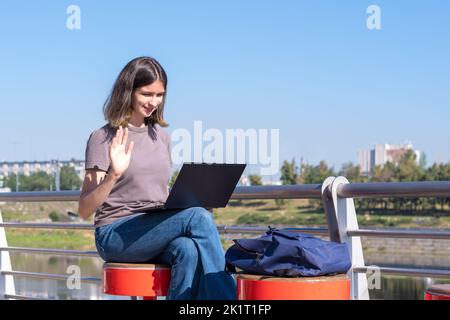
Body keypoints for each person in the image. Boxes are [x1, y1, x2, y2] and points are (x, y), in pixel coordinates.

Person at [78, 56, 236, 300]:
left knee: (188, 249)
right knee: (198, 217)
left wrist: (196, 198)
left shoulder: (162, 137)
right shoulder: (103, 137)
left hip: (155, 227)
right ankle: (228, 301)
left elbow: (157, 192)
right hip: (115, 234)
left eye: (159, 95)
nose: (154, 102)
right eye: (146, 94)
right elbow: (84, 209)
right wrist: (114, 175)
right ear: (127, 92)